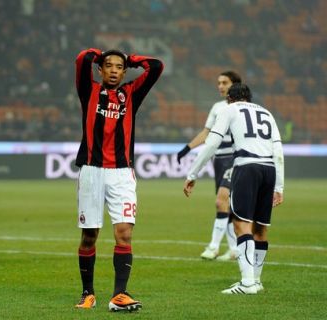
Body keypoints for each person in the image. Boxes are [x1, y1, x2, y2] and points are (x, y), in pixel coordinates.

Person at [73, 48, 163, 311]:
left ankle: (119, 295)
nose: (113, 70)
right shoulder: (87, 90)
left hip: (122, 173)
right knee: (90, 235)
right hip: (92, 171)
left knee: (124, 233)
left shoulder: (131, 93)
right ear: (100, 70)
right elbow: (82, 59)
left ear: (125, 72)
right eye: (108, 66)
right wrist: (99, 54)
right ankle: (88, 293)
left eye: (119, 67)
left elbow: (156, 67)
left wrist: (132, 58)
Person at [183, 83, 284, 294]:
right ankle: (255, 280)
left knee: (241, 224)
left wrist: (193, 173)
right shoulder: (266, 112)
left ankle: (247, 283)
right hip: (269, 169)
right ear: (249, 97)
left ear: (230, 98)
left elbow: (211, 143)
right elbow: (278, 151)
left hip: (246, 167)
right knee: (261, 228)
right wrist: (280, 186)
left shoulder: (228, 109)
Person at [177, 71, 242, 261]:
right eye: (219, 83)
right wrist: (187, 148)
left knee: (221, 201)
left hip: (235, 157)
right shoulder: (217, 107)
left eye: (225, 82)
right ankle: (233, 249)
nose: (220, 86)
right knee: (226, 205)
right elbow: (207, 133)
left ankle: (213, 247)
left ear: (235, 85)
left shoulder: (242, 108)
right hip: (219, 159)